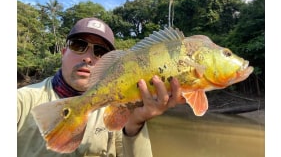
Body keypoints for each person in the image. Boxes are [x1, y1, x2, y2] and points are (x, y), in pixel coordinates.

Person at [17, 17, 184, 157]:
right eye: (78, 45)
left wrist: (135, 126)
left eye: (100, 51)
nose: (88, 58)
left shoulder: (122, 108)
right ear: (63, 52)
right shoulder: (22, 100)